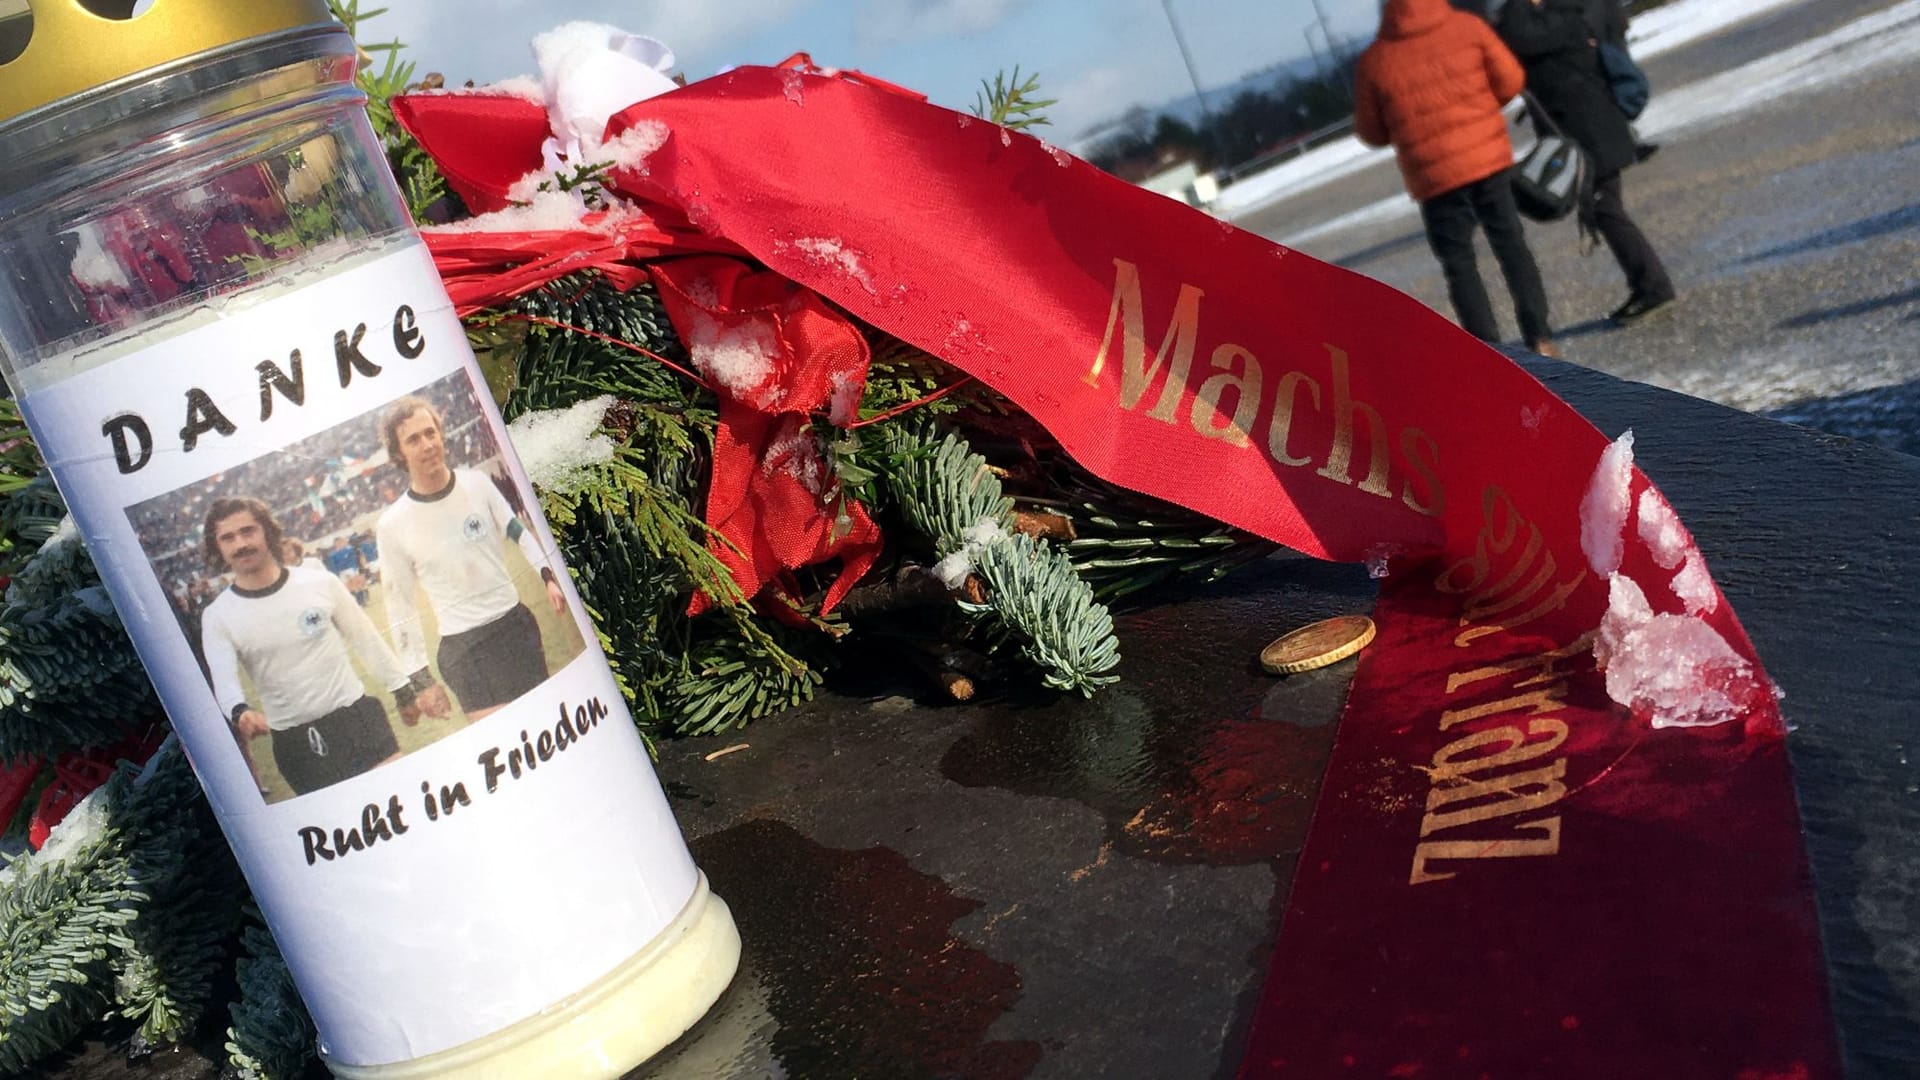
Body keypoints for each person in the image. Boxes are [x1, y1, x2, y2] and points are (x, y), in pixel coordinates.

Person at [199, 497, 449, 797]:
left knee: (402, 804)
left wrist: (403, 691)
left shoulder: (319, 583)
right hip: (295, 744)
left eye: (248, 531)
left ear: (266, 531)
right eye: (228, 537)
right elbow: (223, 681)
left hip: (356, 718)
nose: (240, 543)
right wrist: (241, 712)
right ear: (217, 548)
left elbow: (366, 640)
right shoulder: (218, 615)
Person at [1355, 0, 1558, 355]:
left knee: (1460, 264)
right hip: (1488, 160)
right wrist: (1479, 109)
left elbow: (1372, 131)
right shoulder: (1468, 27)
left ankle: (1492, 355)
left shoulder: (1376, 60)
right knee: (1512, 246)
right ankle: (1539, 335)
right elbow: (1511, 80)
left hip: (1434, 179)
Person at [376, 396, 568, 721]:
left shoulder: (477, 484)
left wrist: (548, 578)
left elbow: (519, 532)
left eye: (430, 433)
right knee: (508, 742)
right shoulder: (392, 525)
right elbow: (400, 607)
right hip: (465, 650)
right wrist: (420, 680)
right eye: (413, 439)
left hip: (515, 627)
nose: (427, 444)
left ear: (441, 434)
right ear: (399, 454)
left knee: (548, 723)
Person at [1495, 0, 1677, 325]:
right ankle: (1646, 285)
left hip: (1588, 131)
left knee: (1605, 208)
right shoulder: (1564, 15)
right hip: (1595, 125)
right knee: (1604, 208)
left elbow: (1517, 44)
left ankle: (1654, 287)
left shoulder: (1525, 24)